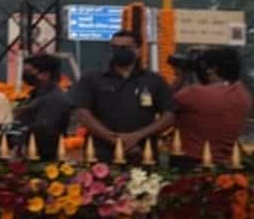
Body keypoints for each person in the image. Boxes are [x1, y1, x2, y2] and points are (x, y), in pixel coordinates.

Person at [71, 30, 174, 162]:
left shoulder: (154, 80)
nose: (119, 51)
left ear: (138, 51)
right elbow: (81, 112)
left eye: (124, 48)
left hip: (143, 152)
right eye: (115, 48)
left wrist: (137, 136)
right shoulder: (92, 78)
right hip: (100, 152)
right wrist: (115, 140)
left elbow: (169, 115)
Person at [172, 46, 252, 169]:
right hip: (227, 164)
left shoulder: (193, 93)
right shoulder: (243, 95)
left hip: (191, 163)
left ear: (213, 69)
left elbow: (164, 104)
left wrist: (180, 77)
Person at [13, 54, 72, 161]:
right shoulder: (36, 95)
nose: (26, 76)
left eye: (29, 72)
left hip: (40, 158)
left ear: (45, 74)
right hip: (28, 153)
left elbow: (43, 131)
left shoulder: (55, 99)